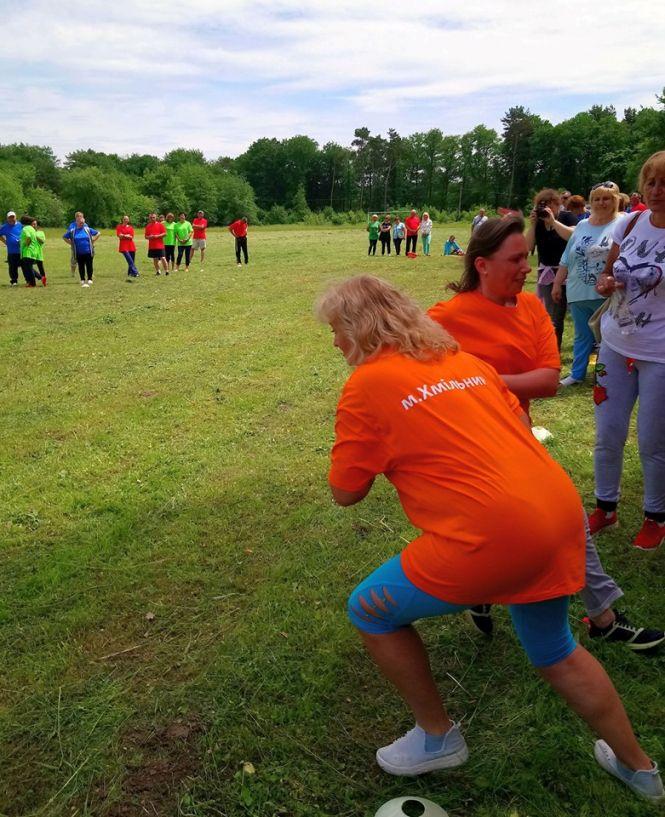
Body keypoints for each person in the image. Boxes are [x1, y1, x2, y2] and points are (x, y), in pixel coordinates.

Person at [319, 275, 663, 801]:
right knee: (555, 648)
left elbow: (346, 493)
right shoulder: (465, 362)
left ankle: (437, 737)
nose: (334, 343)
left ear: (358, 328)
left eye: (335, 330)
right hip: (556, 513)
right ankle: (640, 769)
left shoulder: (366, 385)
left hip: (493, 535)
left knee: (369, 609)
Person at [428, 217, 663, 651]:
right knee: (562, 514)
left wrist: (477, 379)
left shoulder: (532, 307)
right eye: (516, 260)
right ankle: (603, 619)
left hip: (516, 436)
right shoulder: (445, 318)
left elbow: (548, 380)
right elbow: (421, 379)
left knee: (545, 517)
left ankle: (485, 591)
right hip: (470, 445)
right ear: (481, 265)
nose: (528, 268)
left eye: (528, 258)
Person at [589, 151, 665, 551]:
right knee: (608, 432)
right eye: (651, 182)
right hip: (615, 345)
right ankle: (606, 508)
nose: (657, 190)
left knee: (653, 441)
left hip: (660, 355)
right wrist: (605, 283)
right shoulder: (631, 223)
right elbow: (609, 273)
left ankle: (656, 516)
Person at [553, 183, 622, 386]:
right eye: (596, 199)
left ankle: (604, 375)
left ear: (615, 200)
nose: (601, 203)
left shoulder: (623, 223)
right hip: (577, 291)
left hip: (606, 294)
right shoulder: (582, 225)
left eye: (606, 198)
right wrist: (557, 283)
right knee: (581, 335)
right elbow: (566, 258)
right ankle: (577, 374)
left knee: (607, 339)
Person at [525, 188, 576, 349]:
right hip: (546, 273)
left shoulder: (567, 216)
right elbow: (527, 247)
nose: (546, 208)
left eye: (549, 205)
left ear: (557, 204)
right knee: (548, 315)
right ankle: (549, 348)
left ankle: (553, 350)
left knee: (558, 316)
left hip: (566, 273)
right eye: (542, 205)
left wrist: (553, 222)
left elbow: (572, 236)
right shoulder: (539, 223)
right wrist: (533, 225)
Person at [63, 212, 99, 287]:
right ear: (76, 221)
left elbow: (97, 233)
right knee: (80, 265)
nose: (82, 224)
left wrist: (93, 240)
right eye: (80, 222)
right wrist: (71, 243)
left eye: (82, 222)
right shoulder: (72, 229)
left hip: (88, 250)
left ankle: (90, 278)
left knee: (89, 265)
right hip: (78, 251)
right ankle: (81, 279)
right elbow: (65, 236)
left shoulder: (87, 228)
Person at [0, 210, 23, 286]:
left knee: (25, 266)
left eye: (13, 217)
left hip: (22, 250)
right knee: (12, 267)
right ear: (7, 218)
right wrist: (5, 241)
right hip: (11, 251)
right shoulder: (5, 227)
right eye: (10, 217)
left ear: (15, 217)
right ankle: (14, 281)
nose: (11, 219)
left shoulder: (20, 225)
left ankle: (30, 280)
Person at [19, 215, 39, 287]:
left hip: (28, 252)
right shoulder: (32, 229)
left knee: (29, 269)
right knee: (29, 267)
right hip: (33, 251)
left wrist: (26, 244)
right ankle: (40, 277)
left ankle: (32, 284)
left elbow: (28, 237)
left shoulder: (25, 229)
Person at [32, 219, 47, 286]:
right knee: (28, 266)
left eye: (35, 224)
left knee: (41, 267)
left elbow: (42, 241)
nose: (33, 225)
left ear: (37, 225)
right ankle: (31, 280)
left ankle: (44, 280)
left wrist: (35, 236)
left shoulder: (41, 233)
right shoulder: (29, 232)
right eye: (32, 224)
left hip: (38, 253)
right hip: (31, 253)